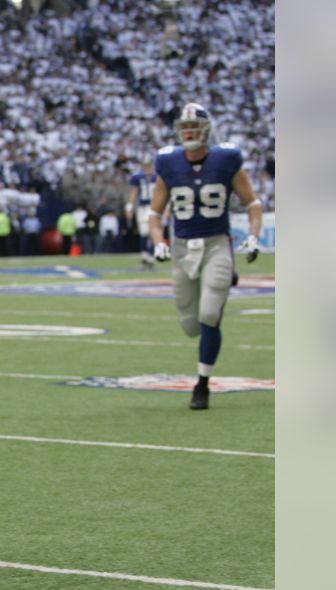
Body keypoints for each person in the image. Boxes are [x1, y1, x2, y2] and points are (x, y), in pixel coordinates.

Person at [148, 102, 264, 410]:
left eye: (193, 127)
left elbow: (252, 203)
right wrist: (158, 241)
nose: (189, 132)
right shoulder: (168, 162)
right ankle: (224, 279)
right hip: (183, 248)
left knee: (210, 314)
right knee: (190, 325)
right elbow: (154, 213)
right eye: (184, 127)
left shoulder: (226, 159)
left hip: (216, 243)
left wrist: (253, 236)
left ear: (205, 129)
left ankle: (202, 385)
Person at [126, 157, 158, 270]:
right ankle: (145, 255)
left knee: (153, 232)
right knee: (144, 232)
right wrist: (129, 207)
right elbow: (134, 193)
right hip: (143, 207)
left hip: (155, 207)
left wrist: (165, 209)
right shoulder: (138, 177)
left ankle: (150, 256)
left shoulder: (158, 176)